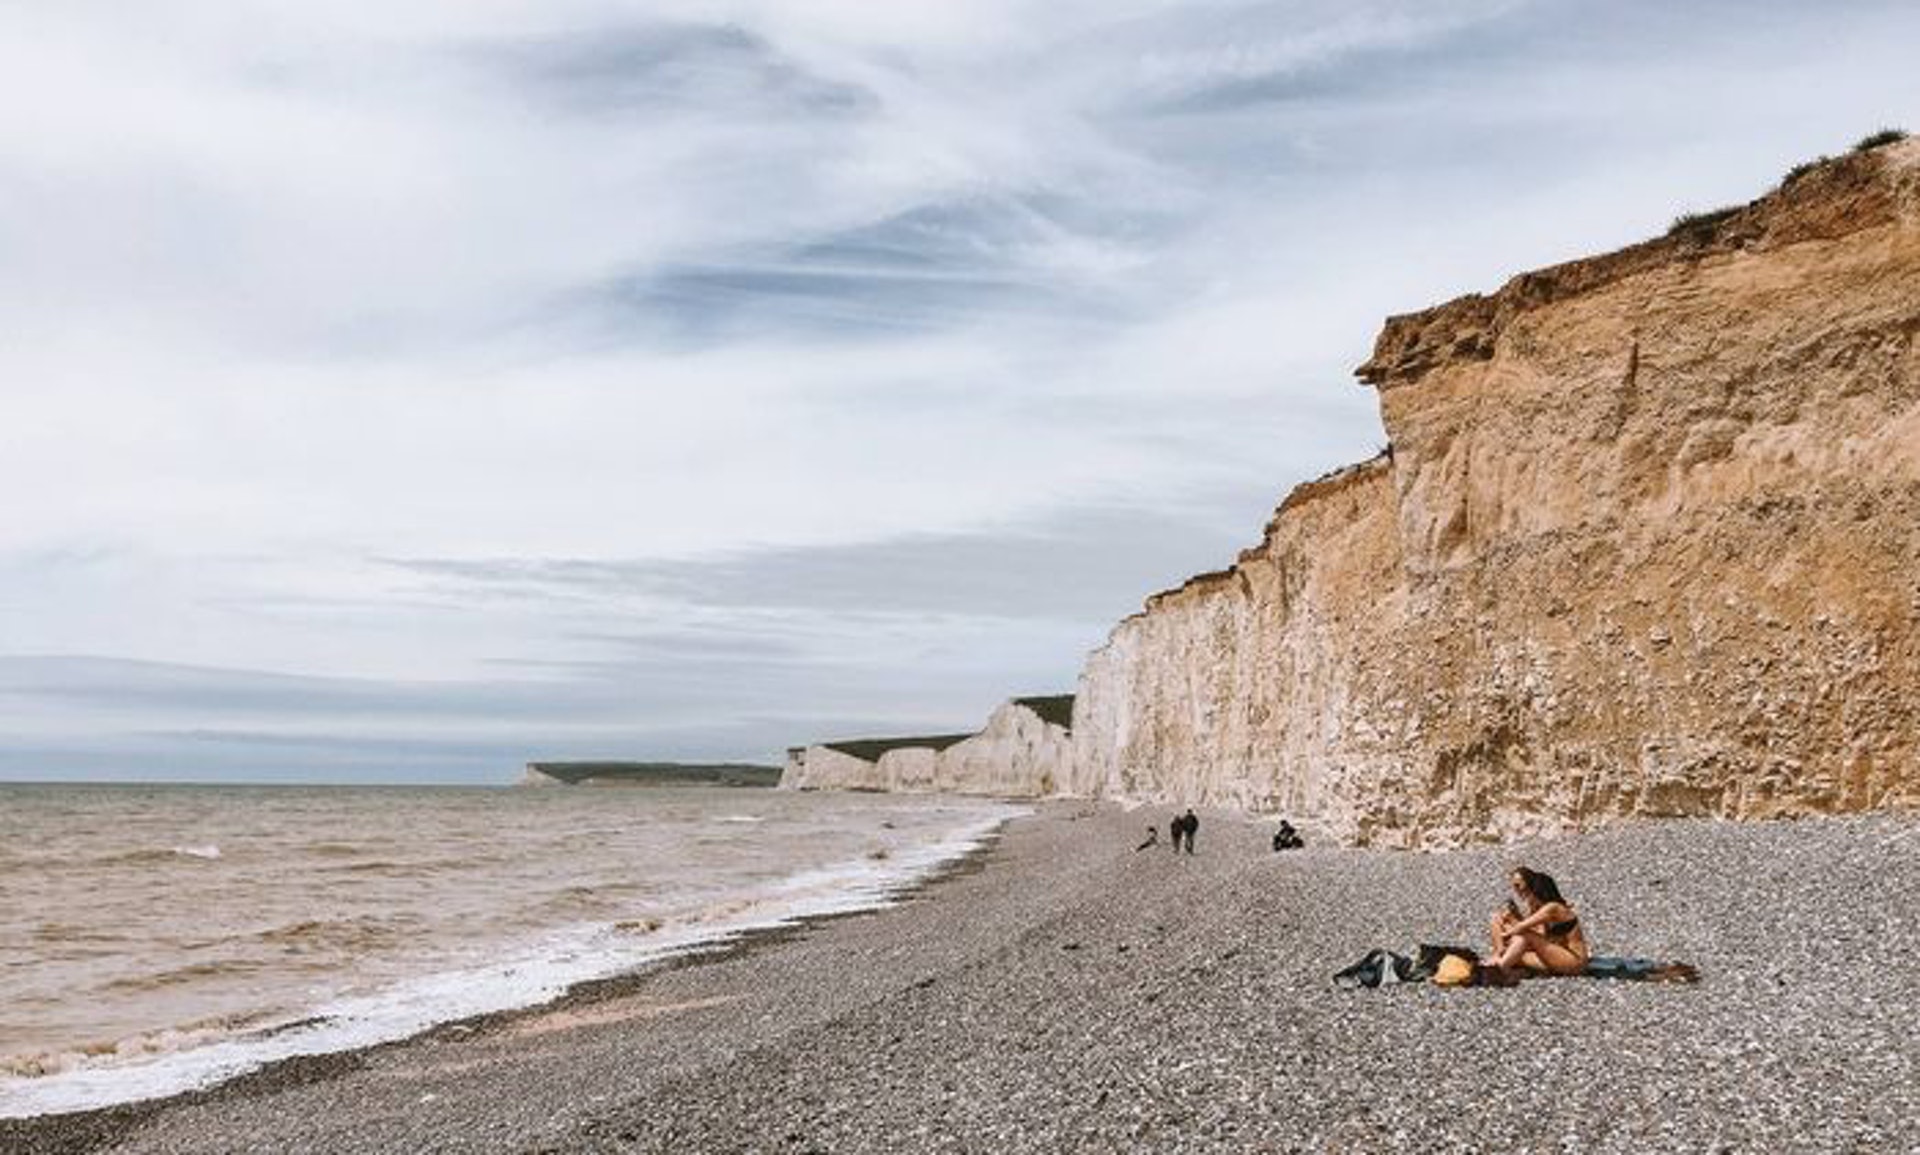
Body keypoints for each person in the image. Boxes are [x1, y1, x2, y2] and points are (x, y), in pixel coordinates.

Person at [1488, 865, 1590, 975]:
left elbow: (1521, 929)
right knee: (1498, 922)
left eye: (1528, 892)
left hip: (1574, 961)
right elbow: (1539, 933)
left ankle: (1499, 970)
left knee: (1524, 936)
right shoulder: (1539, 909)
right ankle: (1498, 959)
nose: (1526, 897)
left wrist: (1506, 931)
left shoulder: (1553, 908)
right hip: (1555, 954)